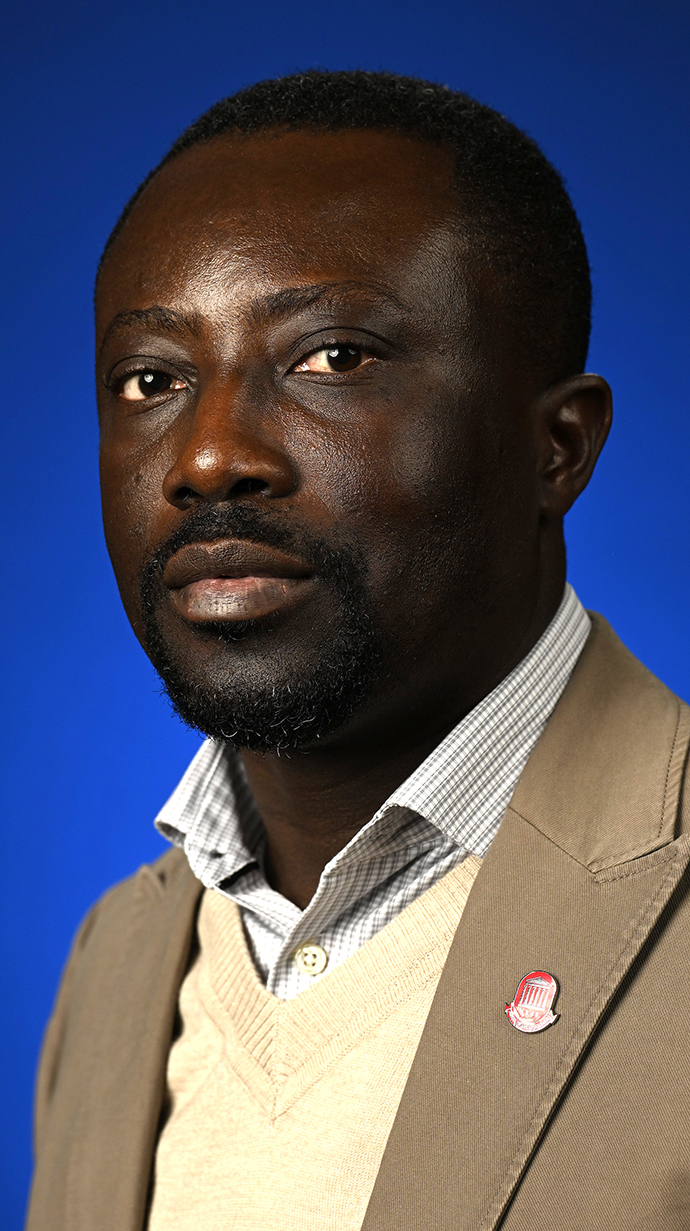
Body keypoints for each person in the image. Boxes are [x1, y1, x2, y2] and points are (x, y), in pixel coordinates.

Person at [26, 70, 690, 1231]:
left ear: (560, 448)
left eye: (331, 357)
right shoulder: (113, 962)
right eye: (153, 378)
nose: (209, 455)